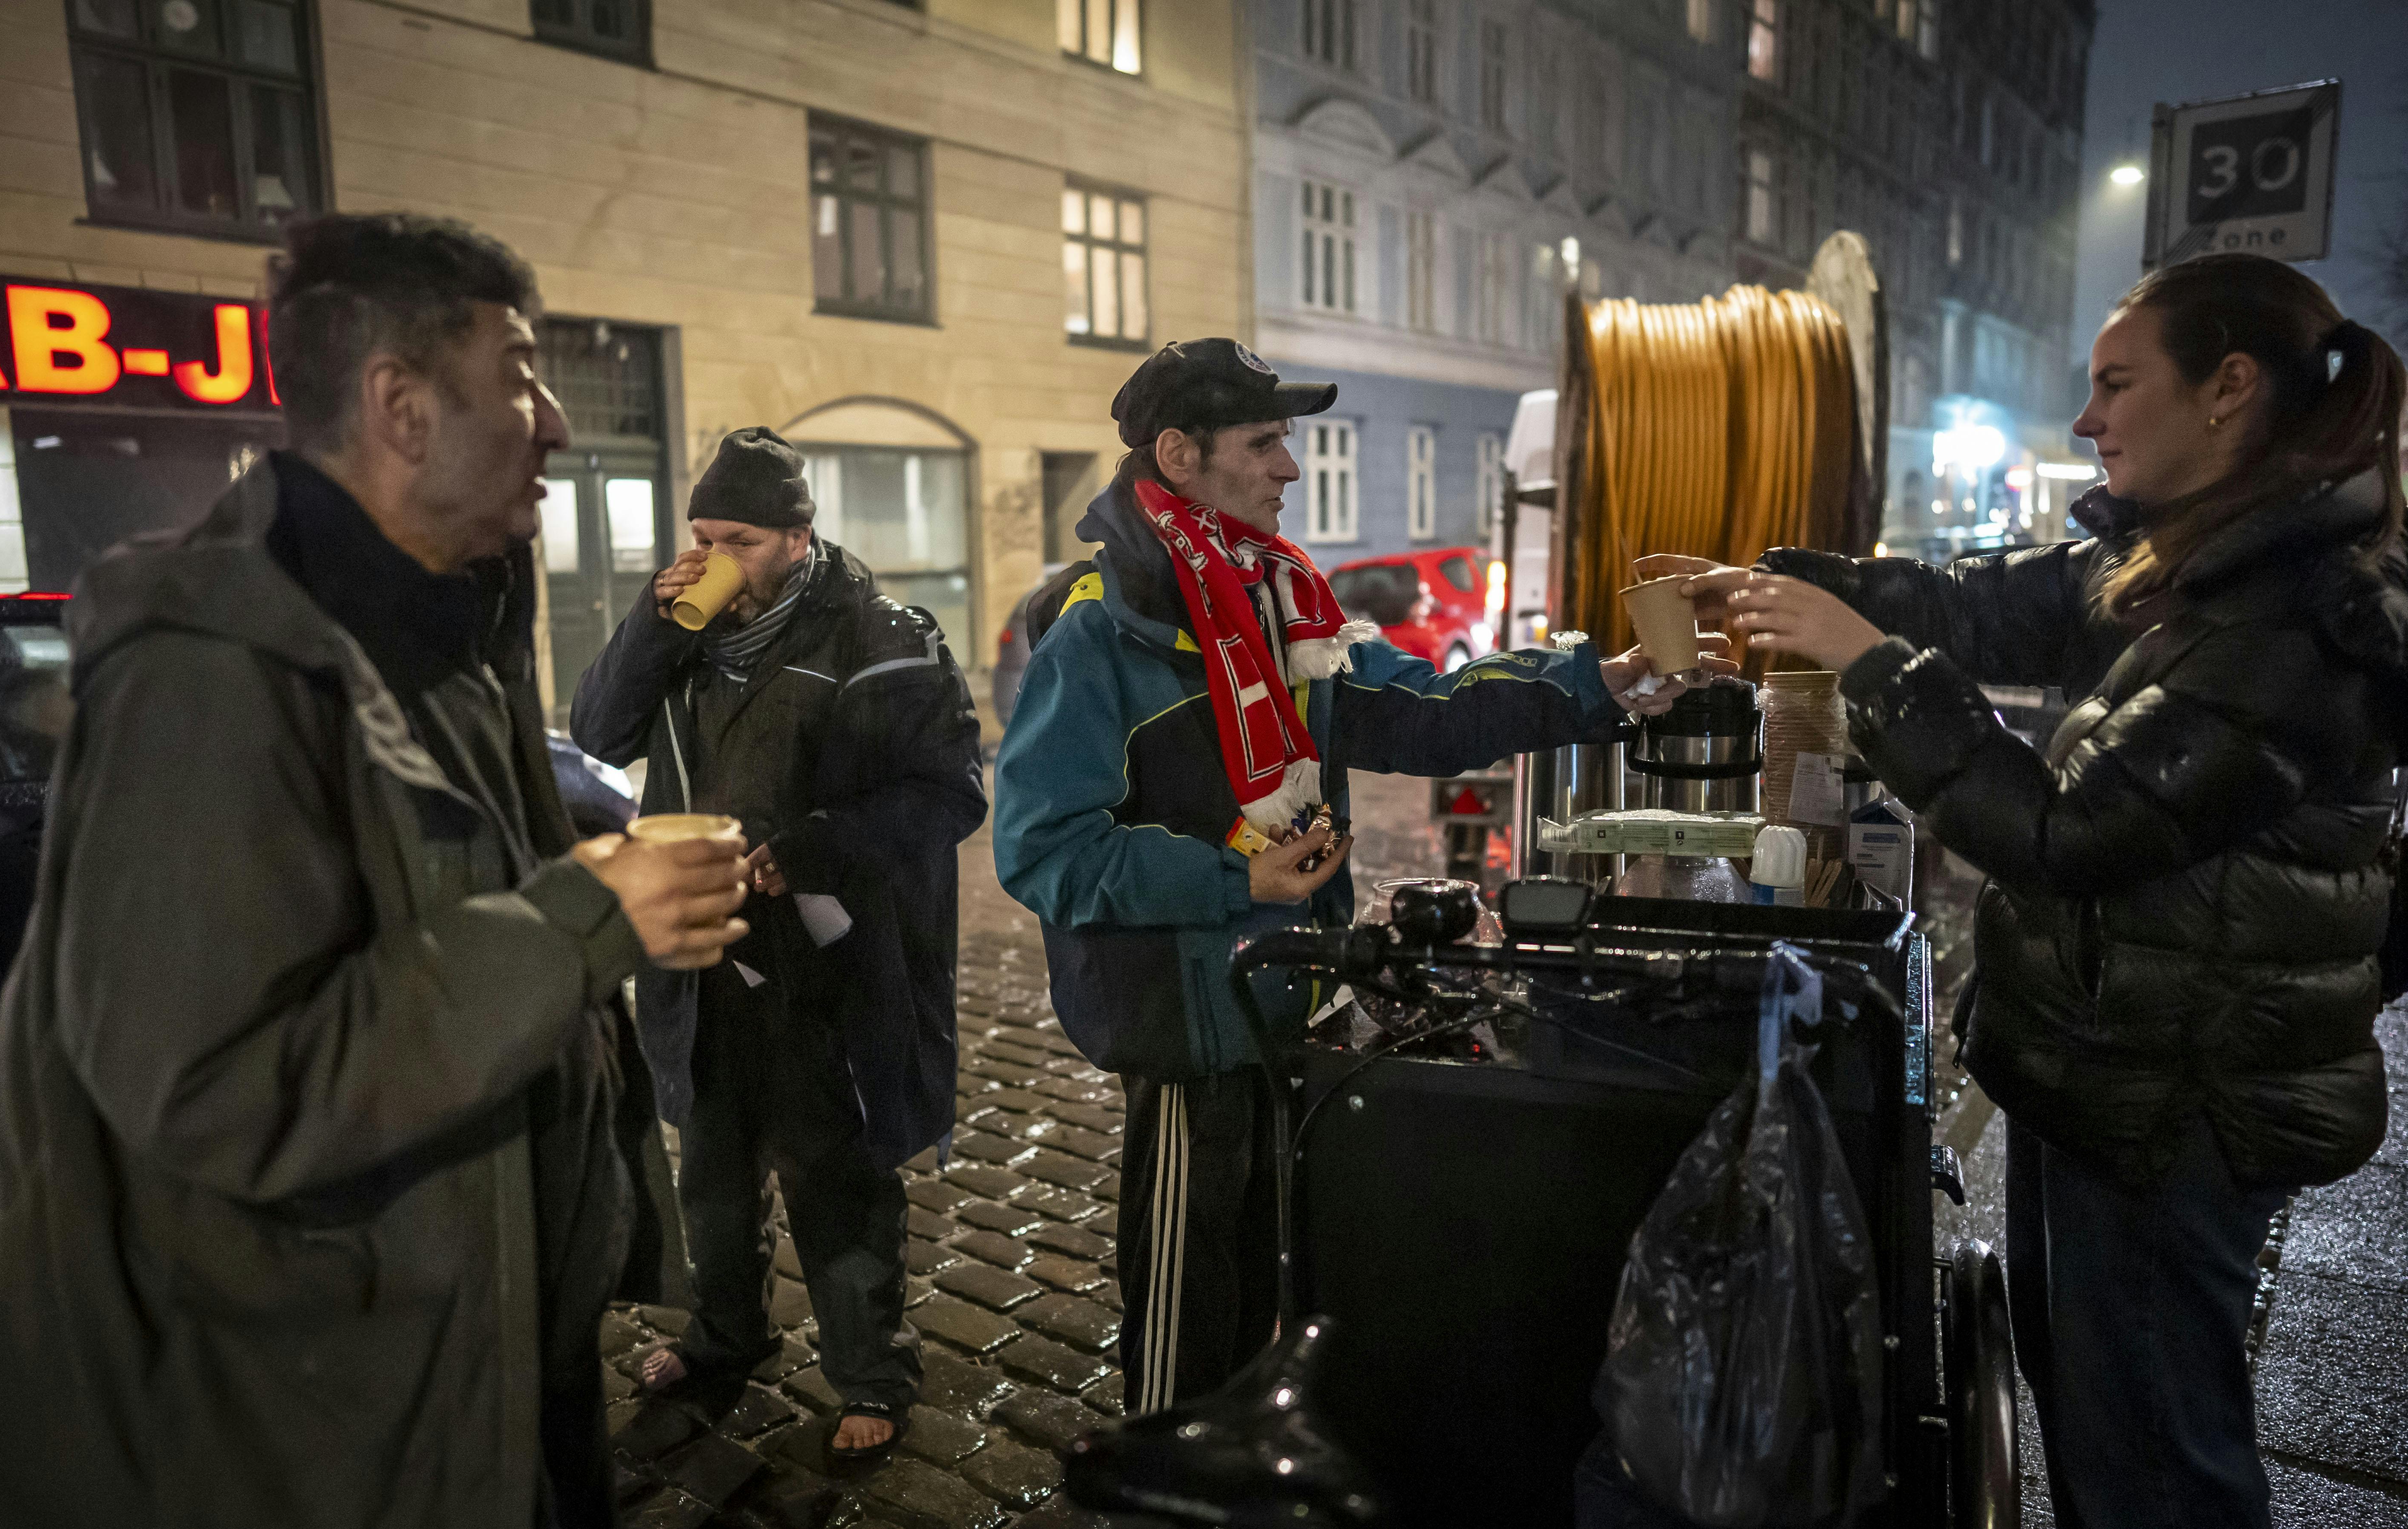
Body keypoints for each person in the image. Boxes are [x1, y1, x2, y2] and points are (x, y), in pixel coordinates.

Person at [0, 213, 752, 1527]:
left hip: (483, 1362)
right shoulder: (208, 674)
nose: (553, 419)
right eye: (519, 370)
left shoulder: (444, 619)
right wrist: (582, 918)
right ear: (400, 405)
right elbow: (211, 1084)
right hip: (329, 1414)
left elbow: (424, 913)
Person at [1647, 252, 2407, 1529]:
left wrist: (1870, 666)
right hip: (2109, 1066)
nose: (2086, 419)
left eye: (2117, 383)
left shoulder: (2292, 618)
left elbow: (2065, 834)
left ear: (2227, 388)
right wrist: (1782, 581)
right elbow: (1973, 599)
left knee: (2156, 1464)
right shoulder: (2184, 561)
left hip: (2177, 1103)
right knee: (2099, 1429)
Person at [993, 337, 1730, 1414]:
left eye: (1289, 442)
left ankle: (1256, 1457)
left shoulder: (1283, 598)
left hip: (1295, 997)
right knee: (1187, 1303)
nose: (1291, 469)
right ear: (1178, 454)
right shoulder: (1099, 632)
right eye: (1266, 444)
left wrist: (1595, 684)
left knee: (1279, 1278)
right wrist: (1235, 880)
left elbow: (1424, 708)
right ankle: (1167, 1474)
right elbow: (1045, 850)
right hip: (1189, 1021)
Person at [570, 427, 986, 1459]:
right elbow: (597, 731)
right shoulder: (683, 633)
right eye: (701, 535)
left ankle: (871, 1371)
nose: (714, 557)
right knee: (708, 1165)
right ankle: (725, 1338)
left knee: (833, 1175)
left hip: (825, 967)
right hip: (701, 953)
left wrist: (823, 847)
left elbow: (949, 792)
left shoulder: (882, 633)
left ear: (800, 536)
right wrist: (650, 622)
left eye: (740, 538)